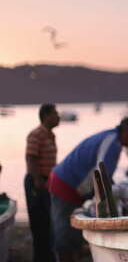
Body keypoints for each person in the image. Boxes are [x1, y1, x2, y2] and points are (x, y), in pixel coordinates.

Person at [48, 116, 128, 262]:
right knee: (64, 233)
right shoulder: (112, 142)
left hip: (73, 188)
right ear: (127, 133)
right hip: (65, 185)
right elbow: (101, 173)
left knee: (73, 232)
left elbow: (103, 177)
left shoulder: (112, 140)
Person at [24, 103, 60, 262]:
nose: (58, 116)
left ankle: (48, 256)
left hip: (47, 182)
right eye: (55, 113)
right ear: (46, 116)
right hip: (37, 182)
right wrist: (38, 180)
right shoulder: (36, 134)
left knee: (48, 221)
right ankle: (41, 258)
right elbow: (30, 158)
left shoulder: (50, 135)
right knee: (39, 223)